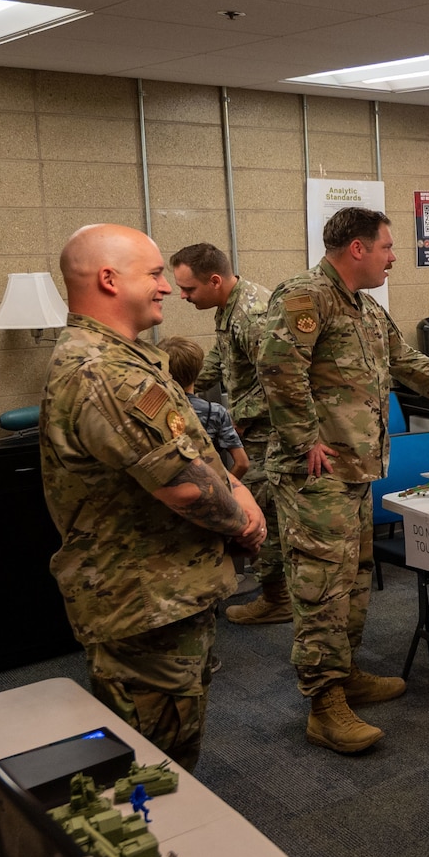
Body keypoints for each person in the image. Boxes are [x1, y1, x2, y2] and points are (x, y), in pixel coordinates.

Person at [39, 225, 267, 771]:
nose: (166, 287)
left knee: (170, 737)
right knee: (153, 761)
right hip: (143, 601)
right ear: (109, 279)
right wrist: (245, 522)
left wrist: (235, 491)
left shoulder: (127, 357)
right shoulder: (103, 373)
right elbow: (185, 485)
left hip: (162, 589)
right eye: (156, 274)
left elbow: (192, 450)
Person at [257, 208, 429, 754]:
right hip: (315, 475)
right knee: (321, 586)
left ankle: (343, 676)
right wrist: (304, 441)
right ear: (357, 248)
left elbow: (408, 363)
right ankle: (324, 706)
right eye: (388, 247)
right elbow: (277, 368)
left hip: (352, 472)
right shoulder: (306, 296)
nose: (395, 257)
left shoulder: (366, 309)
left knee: (352, 578)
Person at [170, 243, 286, 624]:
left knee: (259, 507)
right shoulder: (229, 306)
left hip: (265, 432)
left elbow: (280, 380)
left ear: (215, 280)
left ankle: (277, 597)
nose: (182, 296)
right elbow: (220, 361)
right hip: (249, 426)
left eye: (188, 290)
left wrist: (234, 417)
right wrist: (180, 390)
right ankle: (275, 588)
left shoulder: (250, 313)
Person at [162, 337, 248, 477]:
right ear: (199, 370)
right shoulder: (215, 412)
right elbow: (242, 463)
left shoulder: (157, 411)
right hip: (209, 489)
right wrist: (224, 490)